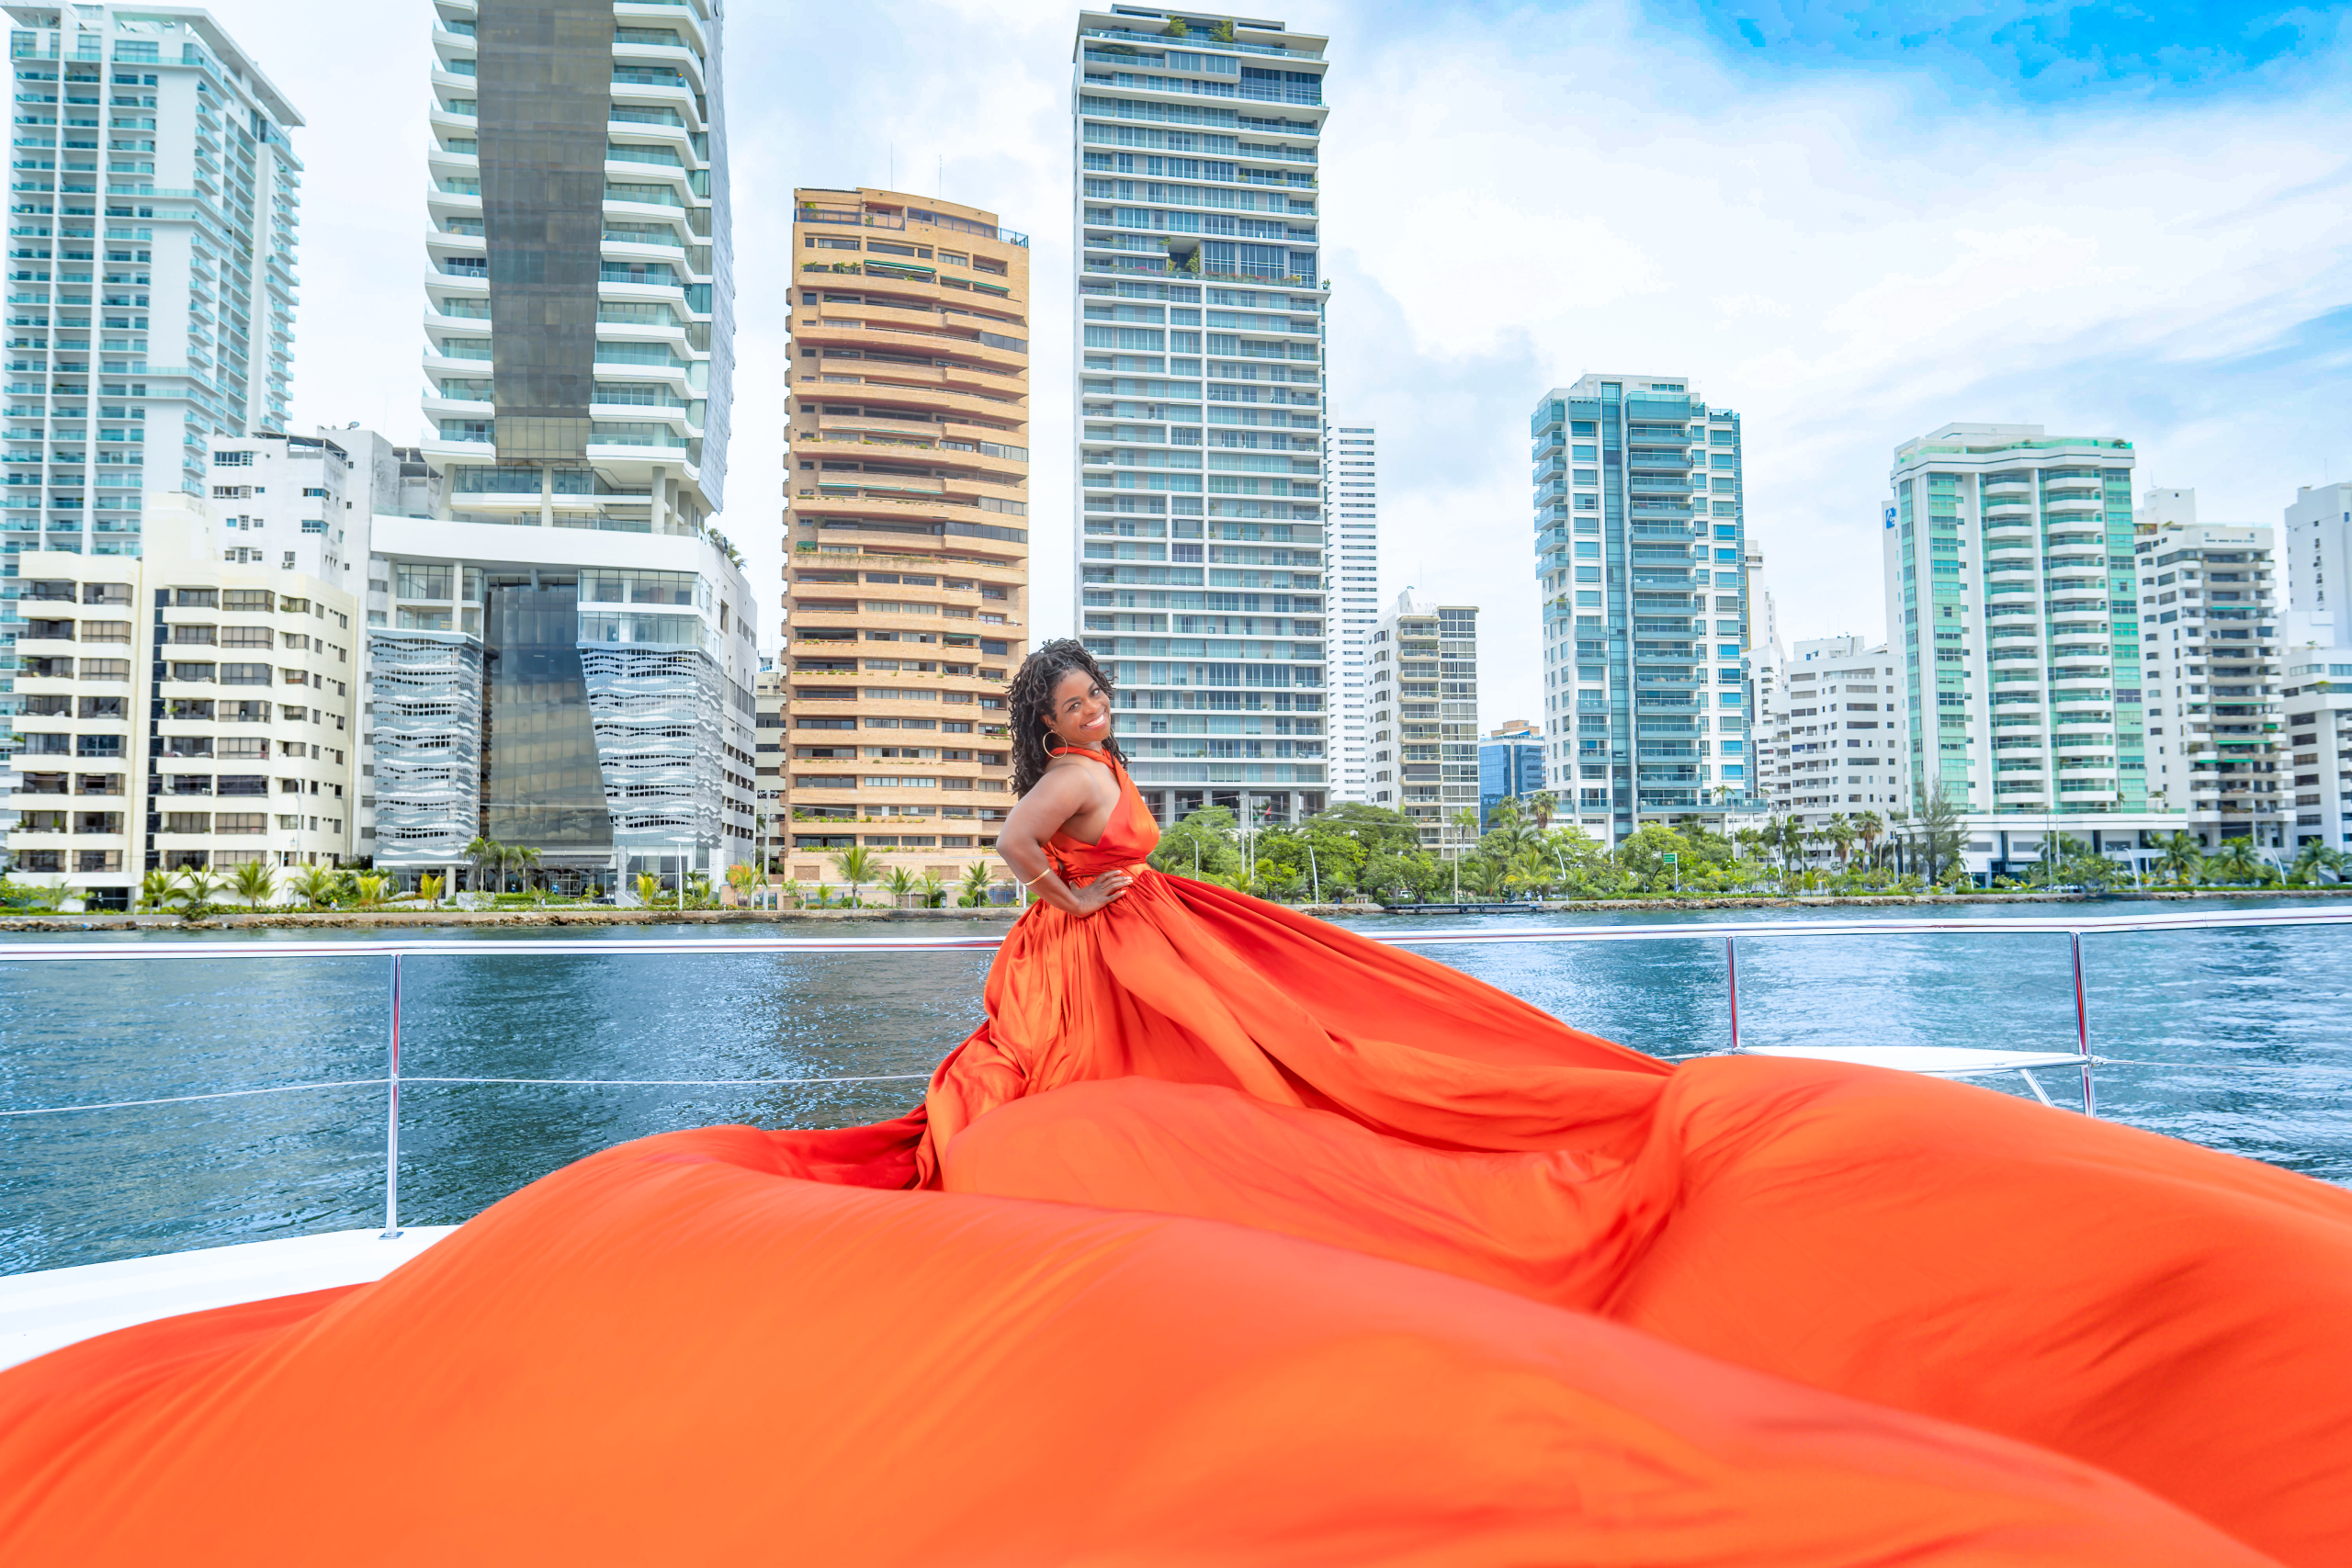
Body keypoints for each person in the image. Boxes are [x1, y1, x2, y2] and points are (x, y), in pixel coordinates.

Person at [2, 641, 2349, 1566]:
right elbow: (1010, 868)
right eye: (1086, 692)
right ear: (1055, 709)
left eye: (1102, 695)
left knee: (1440, 1110)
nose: (1098, 709)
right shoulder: (1057, 798)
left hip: (1175, 967)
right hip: (1114, 990)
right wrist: (1071, 920)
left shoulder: (1112, 763)